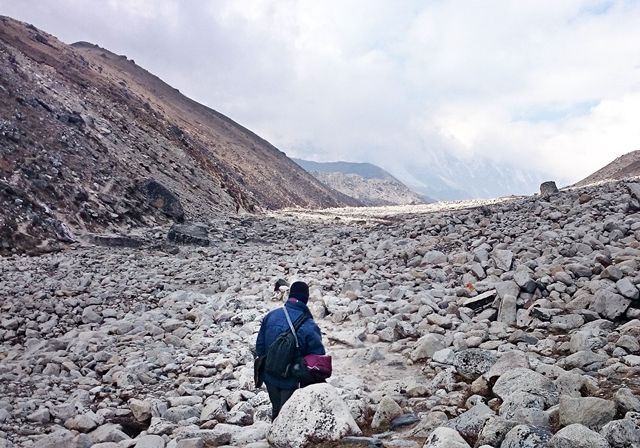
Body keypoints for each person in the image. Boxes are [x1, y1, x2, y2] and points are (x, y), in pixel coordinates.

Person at [255, 281, 325, 420]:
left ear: (290, 295)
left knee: (276, 410)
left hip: (269, 374)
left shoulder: (271, 316)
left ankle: (274, 433)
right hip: (292, 379)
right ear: (306, 298)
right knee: (288, 415)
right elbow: (317, 356)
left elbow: (259, 348)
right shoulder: (309, 324)